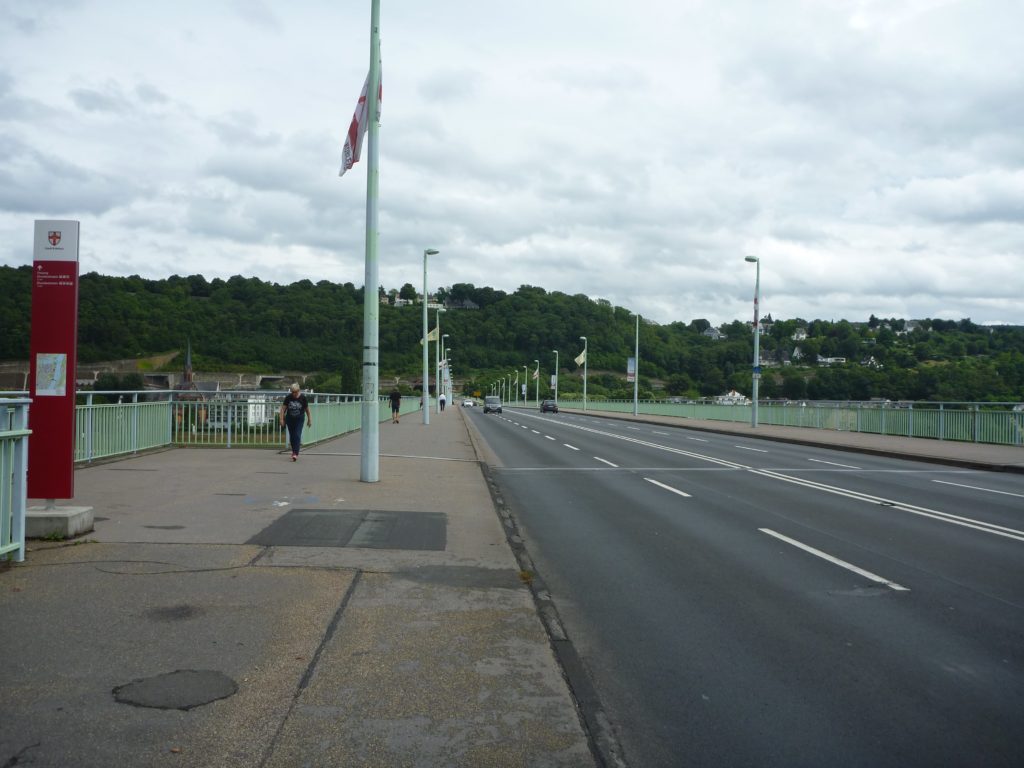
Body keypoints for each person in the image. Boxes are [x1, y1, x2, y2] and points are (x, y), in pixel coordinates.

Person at [279, 383, 311, 461]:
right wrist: (281, 419)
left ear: (298, 390)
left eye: (295, 392)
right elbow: (283, 409)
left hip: (299, 419)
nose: (293, 394)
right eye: (292, 392)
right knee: (292, 436)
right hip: (290, 419)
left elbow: (307, 410)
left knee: (297, 434)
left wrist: (309, 419)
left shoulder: (303, 398)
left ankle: (295, 453)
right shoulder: (288, 398)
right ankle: (294, 451)